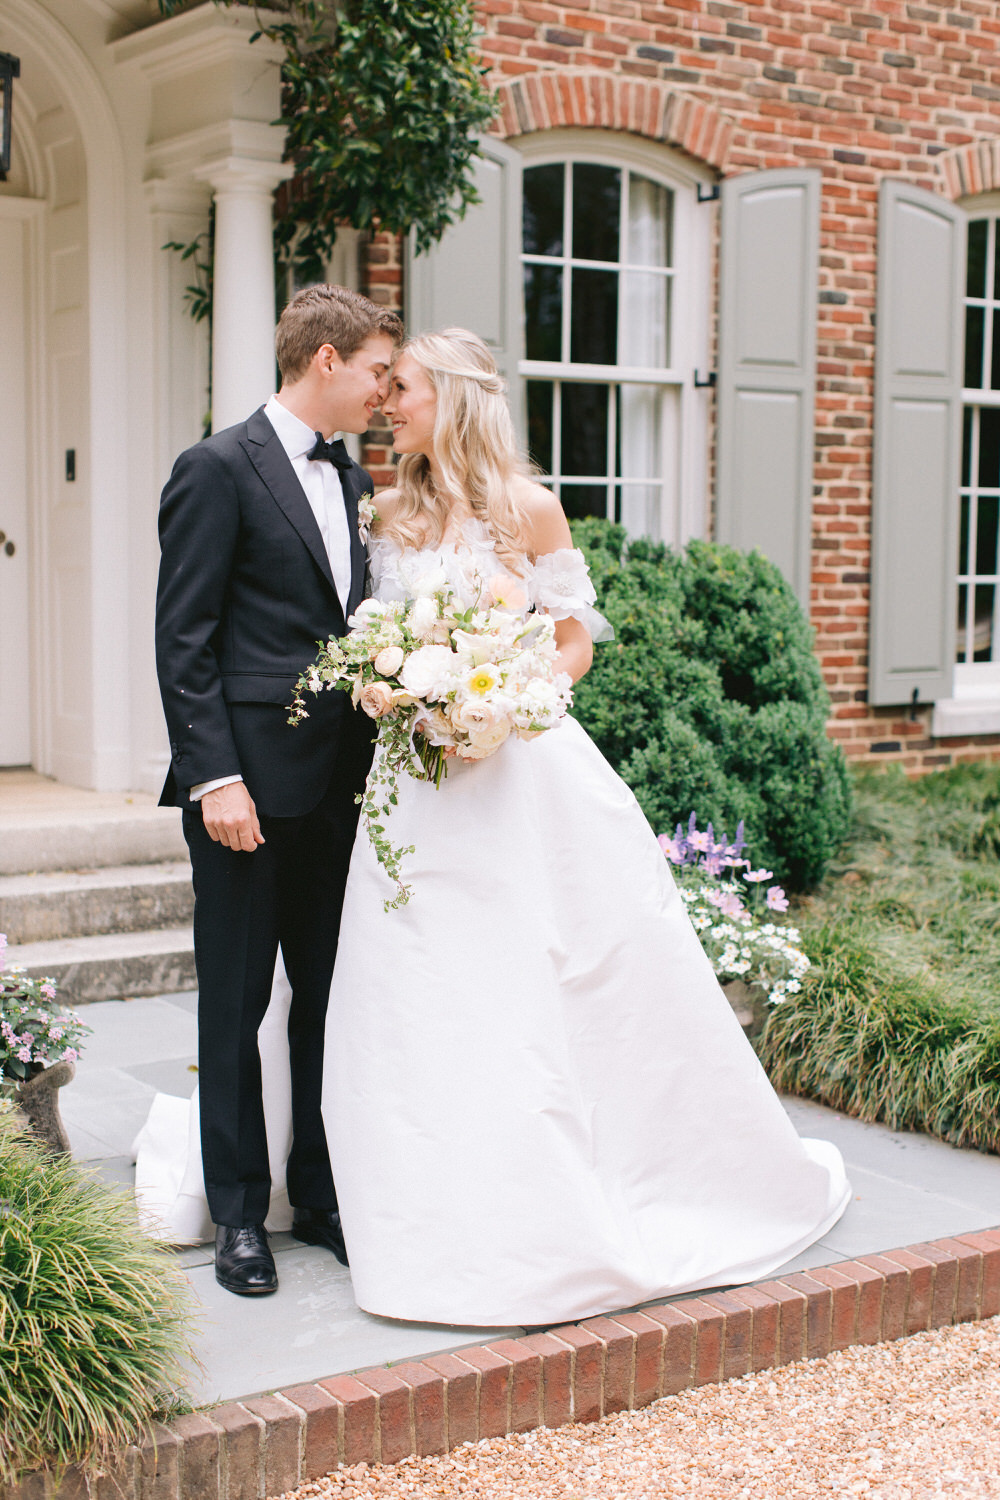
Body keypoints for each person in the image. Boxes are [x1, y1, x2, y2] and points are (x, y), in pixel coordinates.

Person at [317, 328, 850, 1326]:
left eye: (409, 388)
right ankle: (434, 1202)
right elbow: (373, 642)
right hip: (415, 791)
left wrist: (504, 702)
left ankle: (591, 1181)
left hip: (521, 771)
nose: (391, 403)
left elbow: (571, 644)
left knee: (548, 974)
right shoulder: (388, 510)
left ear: (458, 397)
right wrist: (395, 694)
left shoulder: (529, 506)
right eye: (386, 389)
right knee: (424, 983)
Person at [150, 284, 401, 1297]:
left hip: (341, 789)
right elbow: (185, 639)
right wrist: (215, 776)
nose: (387, 392)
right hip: (244, 791)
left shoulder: (350, 480)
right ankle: (240, 1217)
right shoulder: (216, 468)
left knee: (328, 999)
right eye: (380, 371)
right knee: (237, 1005)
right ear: (327, 361)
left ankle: (323, 1196)